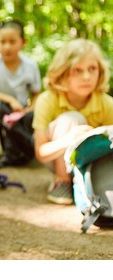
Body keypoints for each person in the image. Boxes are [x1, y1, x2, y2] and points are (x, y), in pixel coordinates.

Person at [33, 38, 113, 205]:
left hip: (92, 162)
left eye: (92, 69)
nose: (86, 77)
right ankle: (62, 181)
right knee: (71, 119)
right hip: (56, 157)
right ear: (63, 73)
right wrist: (70, 139)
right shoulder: (47, 100)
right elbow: (41, 152)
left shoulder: (106, 103)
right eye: (77, 70)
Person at [0, 19, 41, 166]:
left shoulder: (30, 65)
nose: (7, 46)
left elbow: (36, 93)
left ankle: (27, 148)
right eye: (3, 41)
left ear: (23, 42)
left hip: (21, 110)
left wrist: (29, 109)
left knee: (36, 113)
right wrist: (9, 100)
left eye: (12, 41)